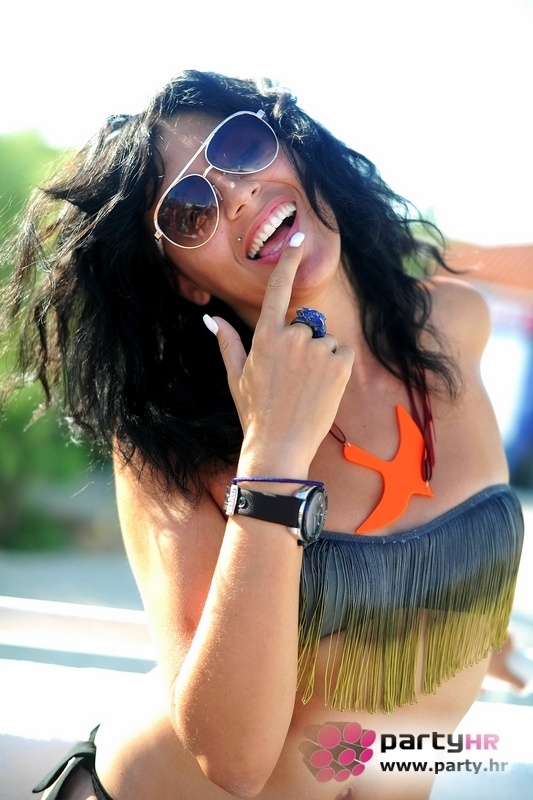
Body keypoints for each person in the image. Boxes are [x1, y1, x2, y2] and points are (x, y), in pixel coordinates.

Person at [2, 70, 524, 800]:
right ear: (186, 281)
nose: (235, 193)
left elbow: (431, 540)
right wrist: (273, 454)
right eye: (189, 212)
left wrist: (466, 623)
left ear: (296, 150)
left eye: (242, 146)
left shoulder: (453, 326)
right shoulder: (167, 442)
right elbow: (235, 761)